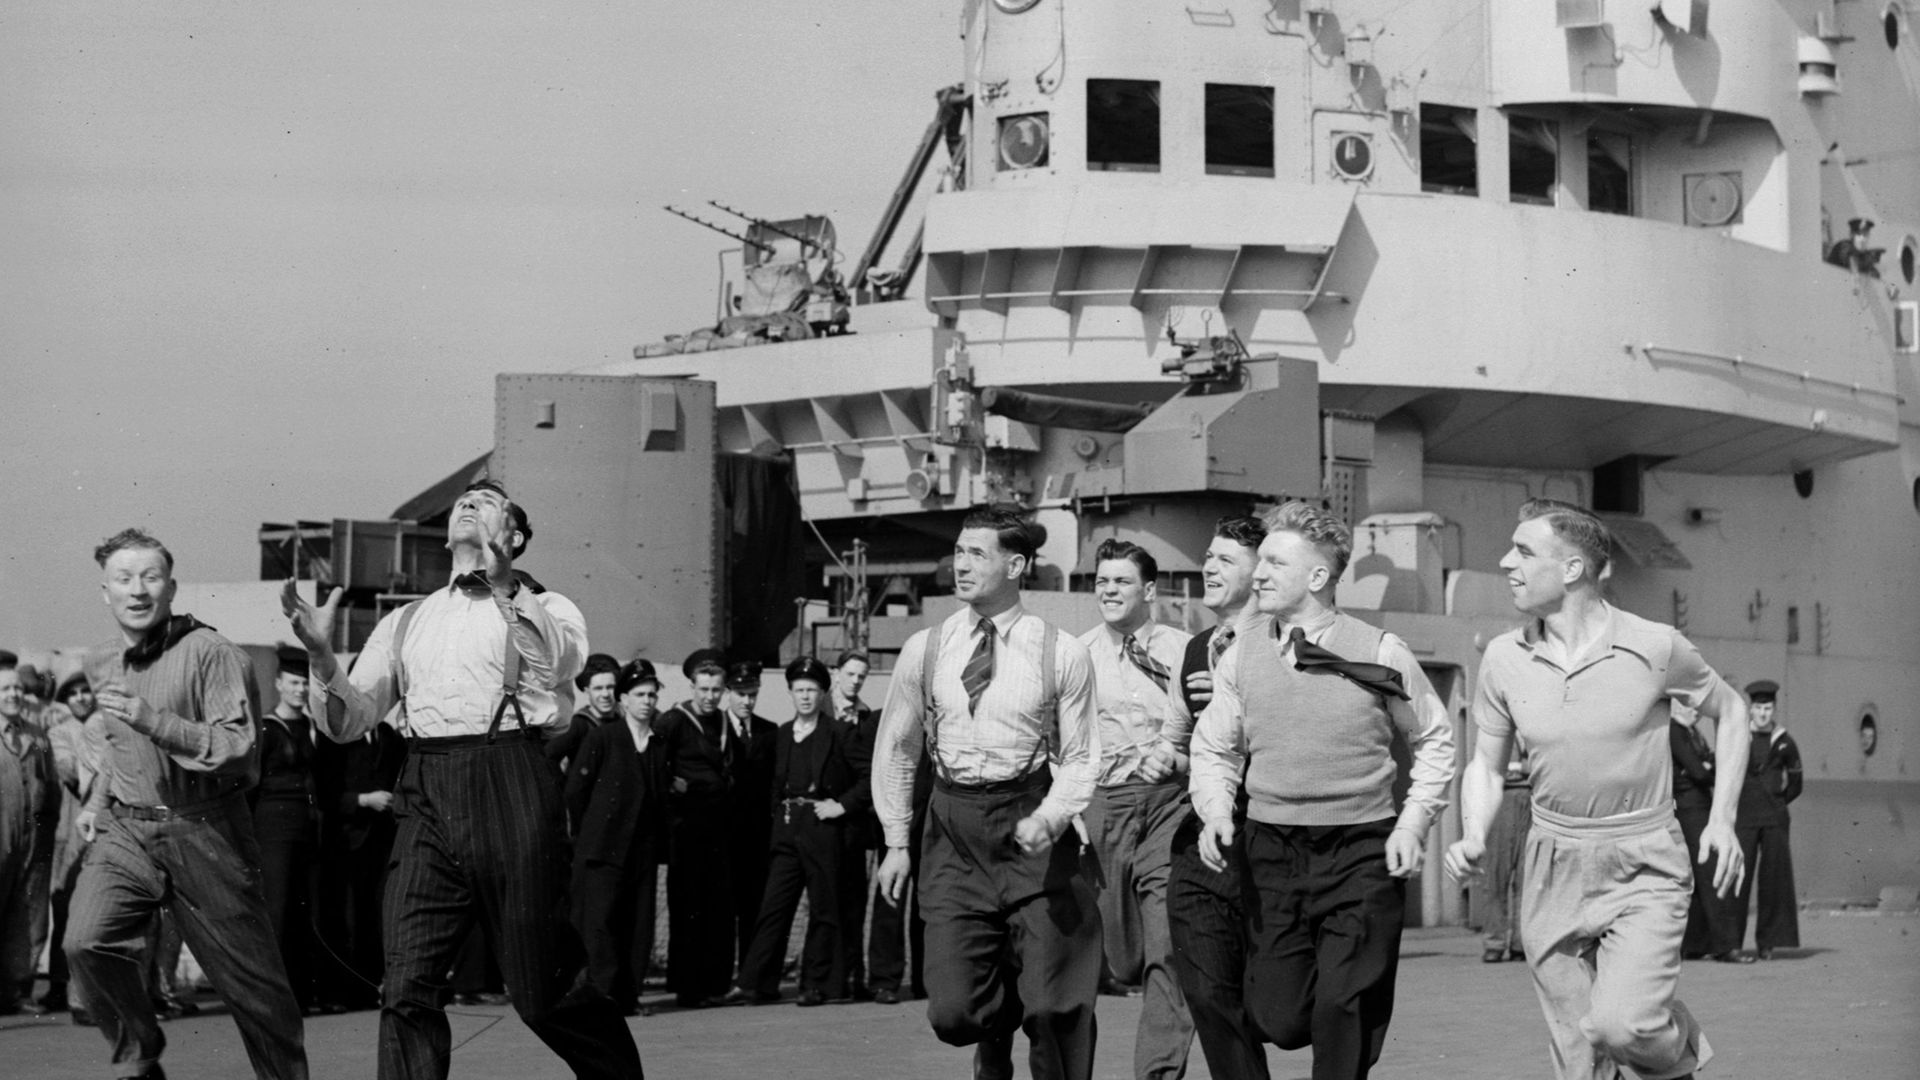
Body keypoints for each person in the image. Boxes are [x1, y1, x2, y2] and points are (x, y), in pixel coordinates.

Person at [281, 480, 642, 1080]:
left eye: (488, 501)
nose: (469, 503)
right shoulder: (406, 620)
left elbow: (559, 666)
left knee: (540, 991)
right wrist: (322, 658)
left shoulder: (550, 607)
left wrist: (504, 586)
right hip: (424, 788)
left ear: (516, 536)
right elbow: (348, 723)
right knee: (405, 985)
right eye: (463, 501)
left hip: (512, 779)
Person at [1445, 498, 1750, 1080]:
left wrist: (1722, 819)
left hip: (1643, 859)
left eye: (1524, 551)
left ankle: (1674, 1053)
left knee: (1622, 1024)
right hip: (1551, 861)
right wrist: (1473, 832)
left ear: (1572, 569)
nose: (1506, 562)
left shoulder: (1655, 646)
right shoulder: (1504, 659)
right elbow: (1485, 765)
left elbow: (1730, 712)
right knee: (1577, 1049)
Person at [1190, 501, 1455, 1080]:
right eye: (1259, 561)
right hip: (1270, 849)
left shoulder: (1381, 650)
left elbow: (1435, 739)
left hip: (1361, 849)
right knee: (1279, 1017)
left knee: (1344, 1007)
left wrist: (1413, 823)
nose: (1258, 574)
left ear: (1316, 577)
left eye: (1275, 563)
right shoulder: (1241, 654)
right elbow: (1215, 746)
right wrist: (1214, 810)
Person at [66, 528, 309, 1080]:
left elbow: (239, 747)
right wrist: (97, 800)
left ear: (172, 587)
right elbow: (114, 744)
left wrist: (153, 720)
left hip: (205, 828)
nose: (137, 590)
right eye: (123, 579)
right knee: (85, 942)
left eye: (150, 577)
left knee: (255, 992)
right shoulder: (100, 658)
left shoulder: (212, 653)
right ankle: (139, 1054)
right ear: (105, 592)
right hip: (125, 828)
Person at [873, 504, 1104, 1080]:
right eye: (958, 551)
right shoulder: (925, 650)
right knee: (955, 1013)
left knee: (1056, 1007)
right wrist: (897, 842)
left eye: (978, 553)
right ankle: (997, 1028)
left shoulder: (1062, 653)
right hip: (953, 829)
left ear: (1017, 564)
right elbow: (898, 750)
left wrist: (1052, 815)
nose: (962, 564)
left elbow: (1081, 758)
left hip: (1033, 824)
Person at [1076, 538, 1194, 1078]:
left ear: (1149, 590)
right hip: (1107, 806)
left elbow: (1216, 730)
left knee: (1167, 948)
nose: (1108, 590)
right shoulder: (1077, 657)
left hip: (1171, 805)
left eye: (1120, 581)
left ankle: (1158, 1073)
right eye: (1101, 581)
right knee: (1124, 959)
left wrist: (1181, 760)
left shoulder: (1186, 650)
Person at [1165, 514, 1270, 1080]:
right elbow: (1177, 741)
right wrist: (1167, 756)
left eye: (1225, 559)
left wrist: (1239, 706)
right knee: (1207, 991)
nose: (1207, 565)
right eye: (1208, 555)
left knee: (1278, 1005)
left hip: (1271, 831)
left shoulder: (1287, 644)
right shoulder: (1196, 648)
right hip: (1205, 838)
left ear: (1263, 572)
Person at [729, 656, 871, 1005]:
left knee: (824, 908)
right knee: (774, 906)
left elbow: (870, 777)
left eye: (812, 690)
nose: (805, 696)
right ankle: (755, 983)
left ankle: (816, 985)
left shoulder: (839, 733)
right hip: (787, 828)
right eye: (799, 690)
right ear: (790, 693)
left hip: (823, 827)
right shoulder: (780, 735)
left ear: (822, 693)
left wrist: (841, 804)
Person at [564, 659, 671, 1016]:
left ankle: (629, 995)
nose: (647, 701)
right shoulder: (603, 737)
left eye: (652, 695)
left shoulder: (658, 743)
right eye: (639, 695)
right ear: (624, 699)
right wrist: (589, 835)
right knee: (600, 925)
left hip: (640, 852)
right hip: (602, 850)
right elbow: (576, 791)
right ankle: (601, 996)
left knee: (638, 926)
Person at [655, 648, 740, 1008]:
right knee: (688, 908)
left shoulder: (723, 722)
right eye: (703, 689)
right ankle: (689, 989)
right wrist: (675, 791)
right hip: (686, 830)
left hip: (717, 830)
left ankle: (715, 984)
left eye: (716, 690)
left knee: (717, 909)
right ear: (692, 686)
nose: (709, 697)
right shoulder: (674, 721)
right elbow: (656, 768)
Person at [311, 702, 407, 1012]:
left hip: (380, 839)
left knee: (373, 916)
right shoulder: (336, 736)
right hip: (344, 839)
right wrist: (363, 800)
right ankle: (337, 993)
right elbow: (323, 792)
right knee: (342, 916)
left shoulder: (389, 736)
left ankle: (367, 988)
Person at [251, 646, 324, 1013]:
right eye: (294, 682)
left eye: (305, 684)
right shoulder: (266, 728)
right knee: (277, 911)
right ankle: (272, 998)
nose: (300, 689)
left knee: (304, 911)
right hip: (274, 826)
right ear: (279, 683)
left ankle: (301, 994)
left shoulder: (312, 727)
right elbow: (251, 784)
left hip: (306, 827)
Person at [1726, 680, 1801, 960]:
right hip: (1743, 818)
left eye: (1768, 708)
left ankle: (1767, 943)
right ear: (1750, 709)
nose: (1763, 714)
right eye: (1758, 708)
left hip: (1774, 821)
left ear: (1774, 709)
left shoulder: (1784, 741)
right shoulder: (1738, 737)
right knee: (1738, 881)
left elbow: (1796, 783)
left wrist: (1778, 802)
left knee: (1773, 883)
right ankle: (1731, 942)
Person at [0, 660, 58, 1016]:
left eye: (17, 689)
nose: (13, 695)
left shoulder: (37, 735)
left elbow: (50, 789)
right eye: (5, 689)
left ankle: (12, 993)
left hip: (31, 841)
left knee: (24, 918)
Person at [42, 670, 101, 1020]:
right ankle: (58, 985)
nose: (81, 697)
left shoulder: (104, 724)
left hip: (101, 827)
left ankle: (84, 990)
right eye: (73, 693)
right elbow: (67, 770)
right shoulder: (60, 732)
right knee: (64, 908)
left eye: (85, 691)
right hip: (70, 831)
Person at [828, 651, 882, 1001]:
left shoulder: (865, 715)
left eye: (861, 676)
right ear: (836, 673)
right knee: (826, 903)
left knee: (853, 903)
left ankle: (853, 976)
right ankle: (827, 976)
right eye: (850, 674)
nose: (856, 681)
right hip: (822, 815)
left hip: (852, 820)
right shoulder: (818, 707)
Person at [720, 661, 779, 978]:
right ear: (728, 693)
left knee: (755, 907)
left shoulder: (769, 732)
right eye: (741, 694)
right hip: (724, 836)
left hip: (757, 836)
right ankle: (720, 977)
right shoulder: (715, 728)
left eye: (752, 694)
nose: (747, 701)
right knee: (723, 909)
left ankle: (751, 977)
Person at [1670, 706, 1735, 961]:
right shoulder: (1675, 731)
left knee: (1699, 876)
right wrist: (1704, 767)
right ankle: (1725, 945)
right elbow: (1698, 769)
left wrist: (1704, 767)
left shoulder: (1690, 731)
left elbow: (1705, 765)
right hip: (1690, 808)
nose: (1696, 712)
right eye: (1690, 706)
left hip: (1698, 806)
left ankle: (1695, 944)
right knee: (1709, 871)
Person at [1477, 747, 1532, 963]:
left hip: (1533, 796)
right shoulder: (1497, 720)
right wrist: (1521, 768)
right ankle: (1494, 942)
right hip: (1500, 796)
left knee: (1526, 877)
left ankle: (1521, 944)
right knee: (1495, 874)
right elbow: (1488, 762)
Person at [546, 652, 622, 773]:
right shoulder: (579, 724)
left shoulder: (621, 720)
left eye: (610, 687)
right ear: (587, 691)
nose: (605, 694)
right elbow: (548, 756)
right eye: (598, 688)